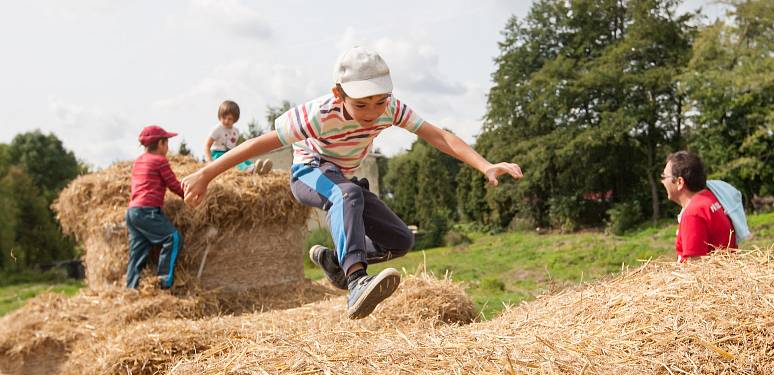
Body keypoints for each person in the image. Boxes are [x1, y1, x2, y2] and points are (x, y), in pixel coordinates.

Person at [181, 46, 523, 318]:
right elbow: (257, 144)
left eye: (379, 101)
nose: (373, 112)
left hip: (342, 181)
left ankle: (334, 260)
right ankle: (356, 282)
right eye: (361, 104)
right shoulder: (317, 114)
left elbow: (437, 135)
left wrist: (485, 164)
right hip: (309, 173)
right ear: (338, 93)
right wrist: (206, 173)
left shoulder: (390, 109)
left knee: (399, 240)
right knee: (346, 194)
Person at [126, 125, 184, 289]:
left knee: (137, 253)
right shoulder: (160, 161)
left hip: (133, 212)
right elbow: (173, 185)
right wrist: (190, 196)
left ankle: (131, 288)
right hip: (147, 211)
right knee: (172, 238)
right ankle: (163, 282)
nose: (168, 147)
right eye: (166, 143)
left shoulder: (138, 161)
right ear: (160, 143)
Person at [661, 151, 741, 262]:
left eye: (664, 177)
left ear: (679, 182)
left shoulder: (693, 213)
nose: (662, 181)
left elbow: (696, 266)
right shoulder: (709, 198)